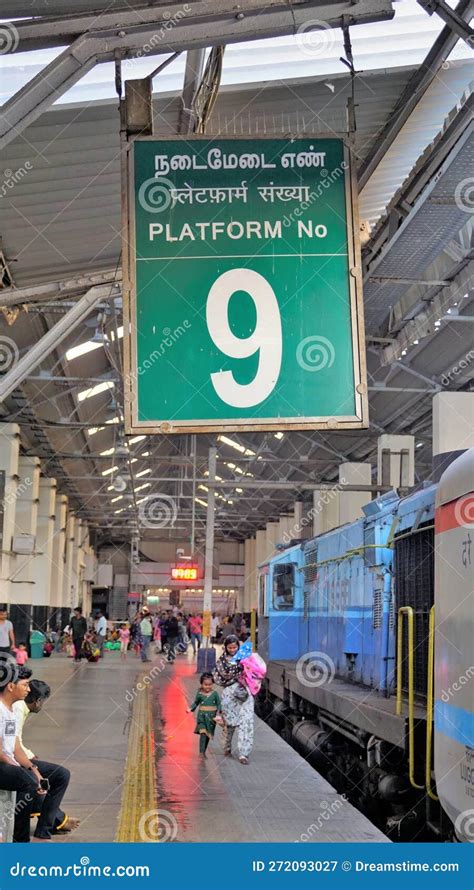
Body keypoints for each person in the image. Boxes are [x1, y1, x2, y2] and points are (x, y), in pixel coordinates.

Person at [13, 679, 79, 836]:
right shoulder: (17, 709)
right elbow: (12, 746)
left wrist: (29, 754)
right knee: (61, 775)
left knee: (49, 777)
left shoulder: (20, 708)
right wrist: (32, 767)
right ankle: (49, 826)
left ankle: (52, 824)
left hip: (17, 756)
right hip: (12, 760)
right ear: (37, 701)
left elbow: (16, 740)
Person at [213, 635, 254, 765]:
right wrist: (238, 674)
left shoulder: (246, 658)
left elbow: (253, 670)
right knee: (229, 723)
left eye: (235, 647)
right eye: (229, 647)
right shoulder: (221, 661)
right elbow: (222, 676)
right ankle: (227, 747)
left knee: (246, 723)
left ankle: (244, 754)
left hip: (245, 693)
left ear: (238, 646)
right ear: (225, 647)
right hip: (229, 694)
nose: (232, 650)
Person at [186, 672, 222, 758]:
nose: (208, 687)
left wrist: (218, 714)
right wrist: (190, 708)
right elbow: (196, 703)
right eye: (205, 685)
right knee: (203, 733)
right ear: (201, 684)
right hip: (202, 717)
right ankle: (201, 752)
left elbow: (219, 704)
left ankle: (204, 750)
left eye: (210, 685)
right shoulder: (200, 694)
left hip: (211, 719)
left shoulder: (215, 694)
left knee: (208, 735)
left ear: (212, 684)